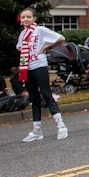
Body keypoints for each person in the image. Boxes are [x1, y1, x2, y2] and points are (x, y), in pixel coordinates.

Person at [16, 8, 70, 141]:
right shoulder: (23, 34)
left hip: (39, 65)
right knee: (34, 98)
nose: (26, 20)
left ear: (34, 18)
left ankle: (61, 126)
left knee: (46, 94)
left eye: (29, 17)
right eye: (23, 17)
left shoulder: (40, 30)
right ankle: (37, 131)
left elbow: (61, 38)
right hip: (27, 68)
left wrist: (46, 46)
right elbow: (19, 47)